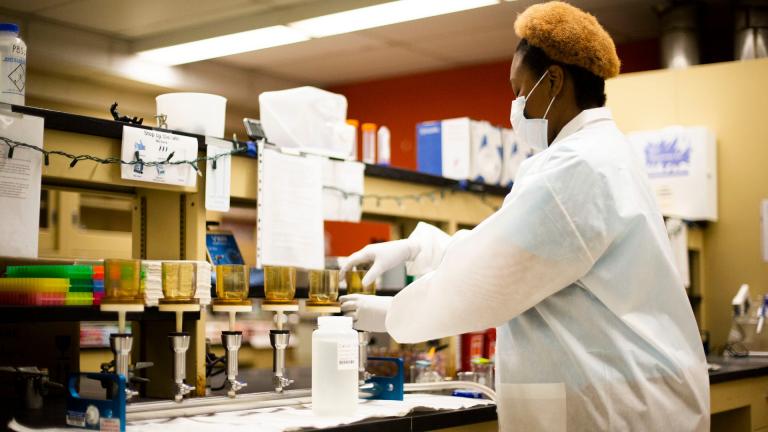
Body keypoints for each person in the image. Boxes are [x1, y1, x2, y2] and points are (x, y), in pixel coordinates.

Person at [339, 2, 709, 431]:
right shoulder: (603, 154)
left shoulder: (577, 167)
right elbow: (506, 251)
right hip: (634, 393)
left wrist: (391, 315)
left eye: (519, 90)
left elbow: (488, 281)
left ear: (553, 81)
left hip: (620, 406)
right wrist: (418, 248)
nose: (515, 106)